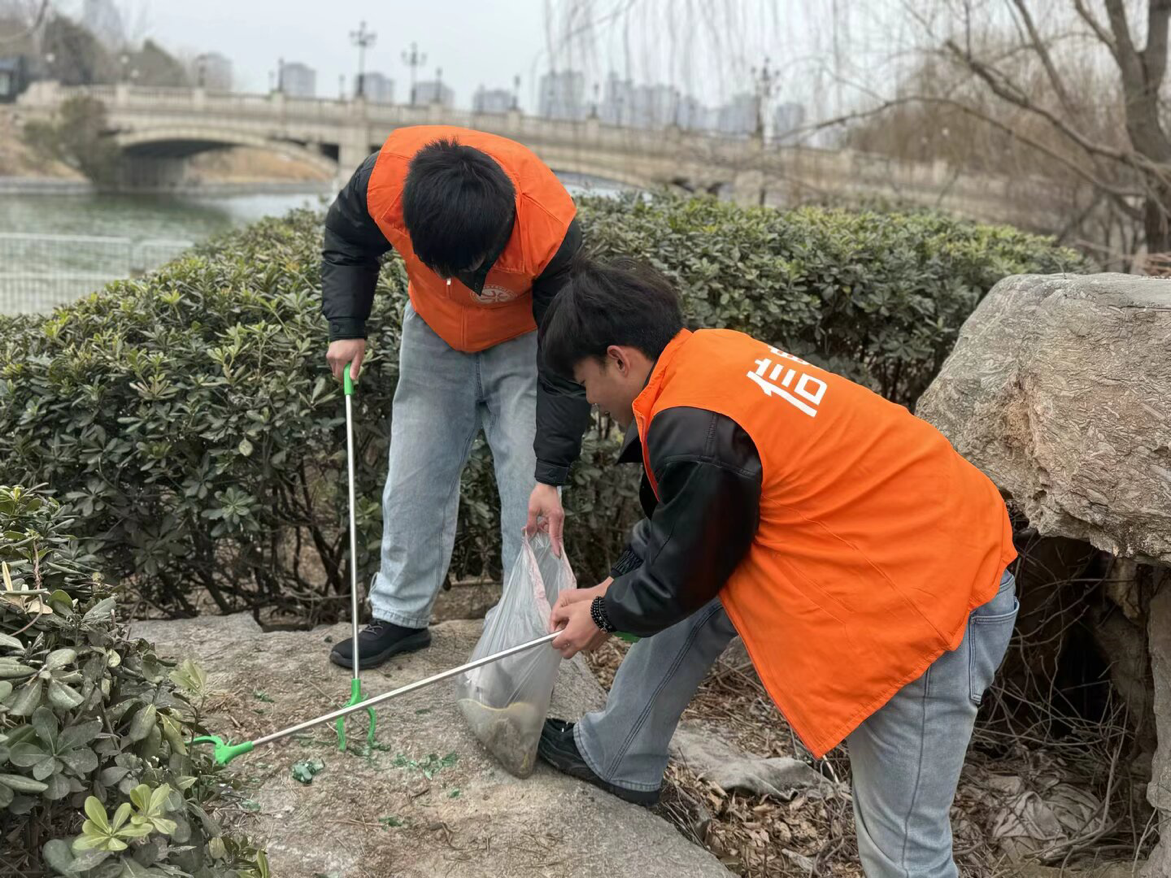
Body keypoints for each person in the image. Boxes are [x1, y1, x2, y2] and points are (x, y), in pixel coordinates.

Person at [536, 258, 1020, 878]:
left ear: (618, 360)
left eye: (584, 383)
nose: (589, 401)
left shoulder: (695, 422)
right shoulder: (707, 359)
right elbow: (691, 527)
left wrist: (605, 614)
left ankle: (618, 750)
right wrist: (614, 586)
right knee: (711, 594)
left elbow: (689, 565)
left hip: (933, 595)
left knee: (904, 852)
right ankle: (618, 751)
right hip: (918, 543)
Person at [321, 126, 591, 669]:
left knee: (529, 491)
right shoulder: (382, 181)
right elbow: (348, 242)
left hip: (526, 344)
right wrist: (347, 326)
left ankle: (526, 629)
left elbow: (565, 364)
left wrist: (551, 473)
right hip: (433, 330)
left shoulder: (549, 227)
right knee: (413, 475)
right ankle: (399, 614)